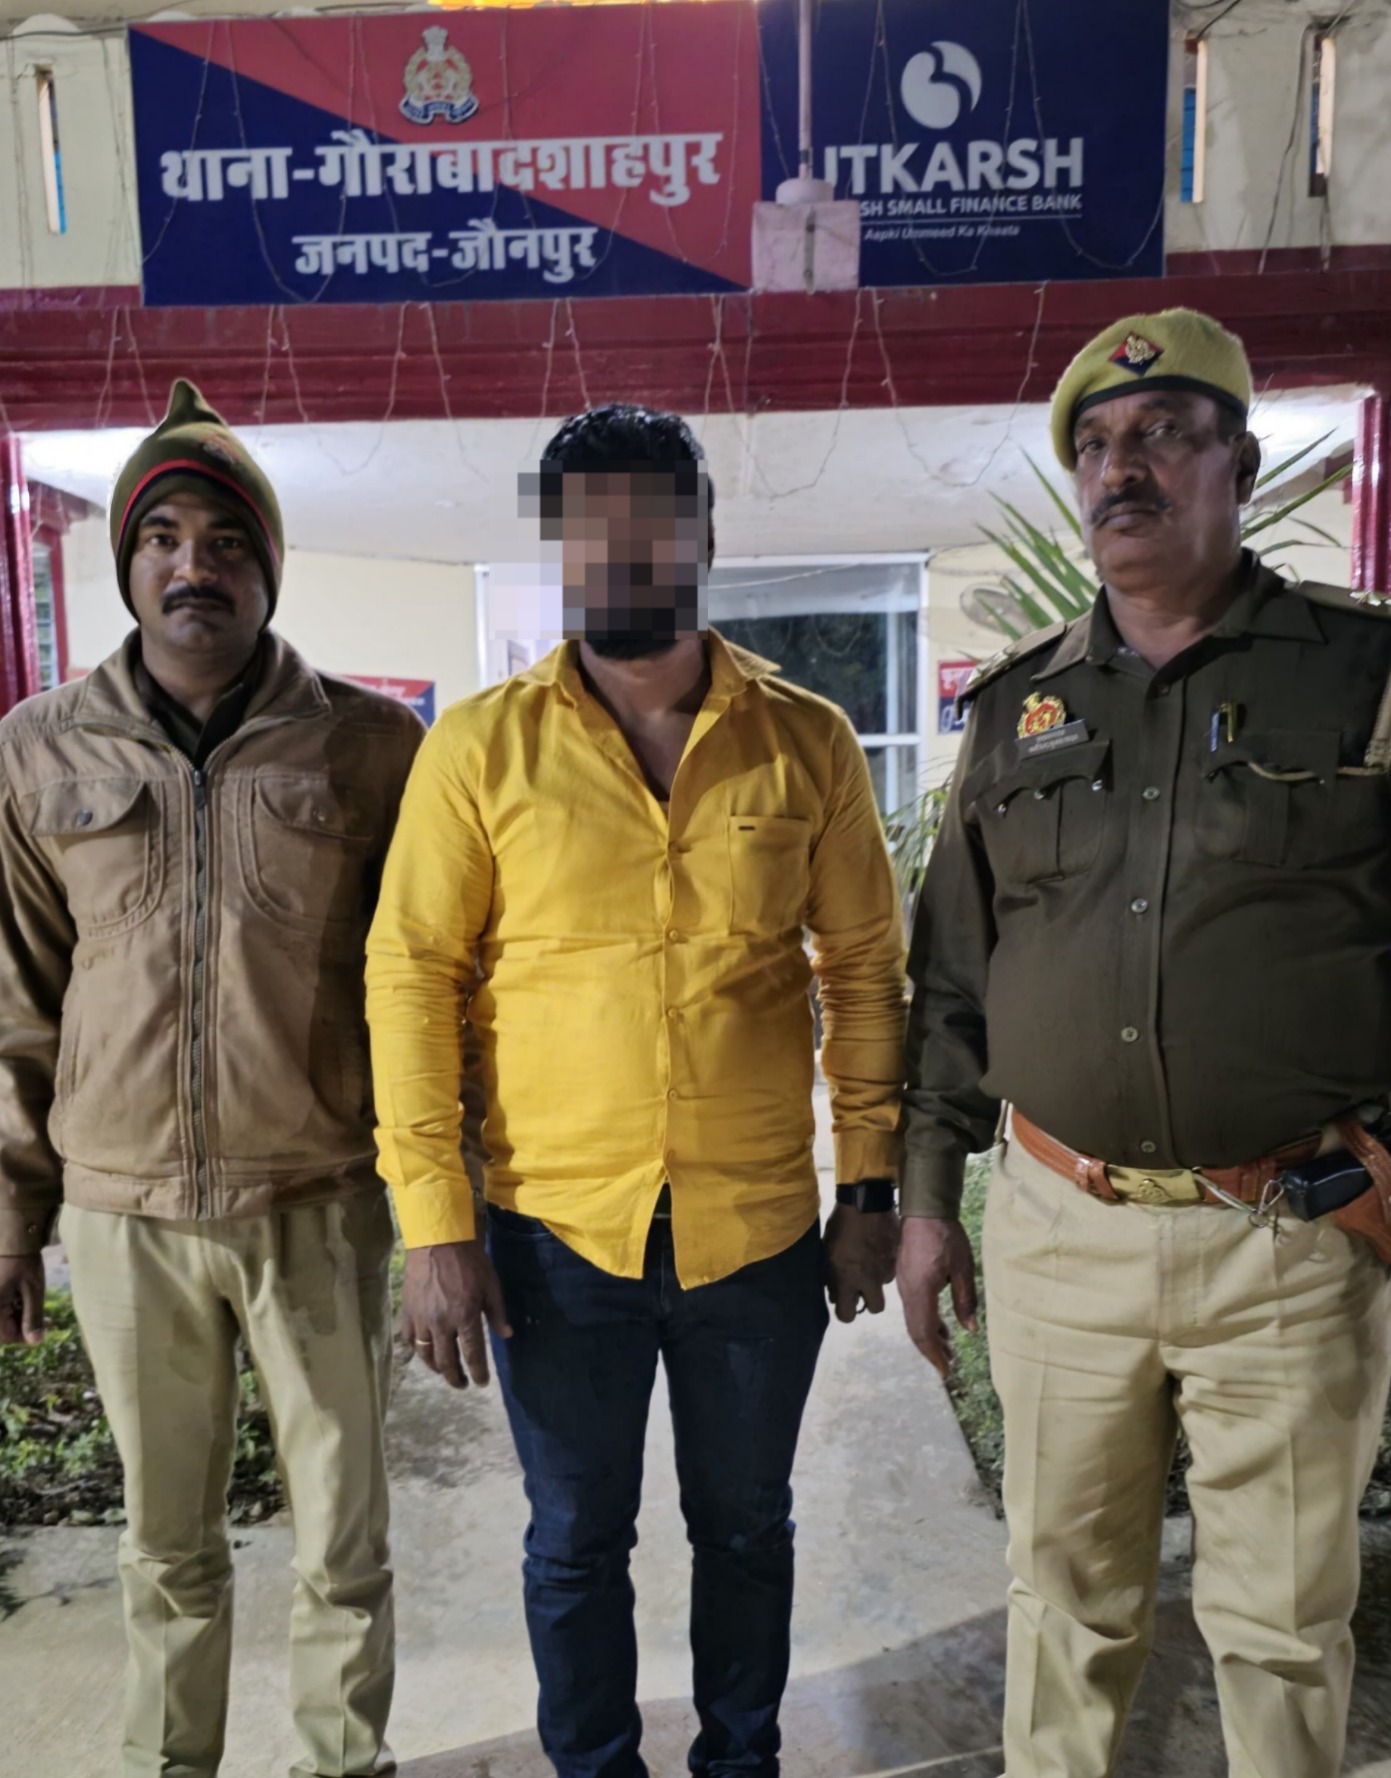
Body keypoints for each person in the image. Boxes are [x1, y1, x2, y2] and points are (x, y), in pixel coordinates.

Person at [896, 308, 1391, 1778]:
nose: (1120, 467)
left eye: (1161, 435)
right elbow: (952, 981)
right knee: (1063, 1614)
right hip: (1060, 1234)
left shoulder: (1379, 675)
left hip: (1293, 1242)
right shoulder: (1015, 709)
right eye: (1095, 445)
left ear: (1238, 468)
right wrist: (929, 1201)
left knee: (1282, 1630)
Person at [366, 403, 907, 1778]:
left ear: (702, 536)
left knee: (748, 1529)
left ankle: (740, 1763)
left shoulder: (807, 740)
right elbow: (412, 978)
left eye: (649, 518)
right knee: (572, 1540)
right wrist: (434, 1224)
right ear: (558, 545)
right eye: (589, 523)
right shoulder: (479, 749)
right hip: (553, 1237)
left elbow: (863, 974)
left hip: (758, 1235)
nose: (620, 549)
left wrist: (869, 1188)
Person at [0, 381, 424, 1778]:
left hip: (319, 1201)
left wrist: (449, 1209)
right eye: (165, 537)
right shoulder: (37, 749)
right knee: (166, 1544)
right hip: (123, 1216)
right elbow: (18, 996)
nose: (197, 565)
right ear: (128, 564)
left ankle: (340, 1762)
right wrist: (12, 1215)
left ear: (269, 568)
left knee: (343, 1540)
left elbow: (424, 987)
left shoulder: (372, 746)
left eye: (229, 541)